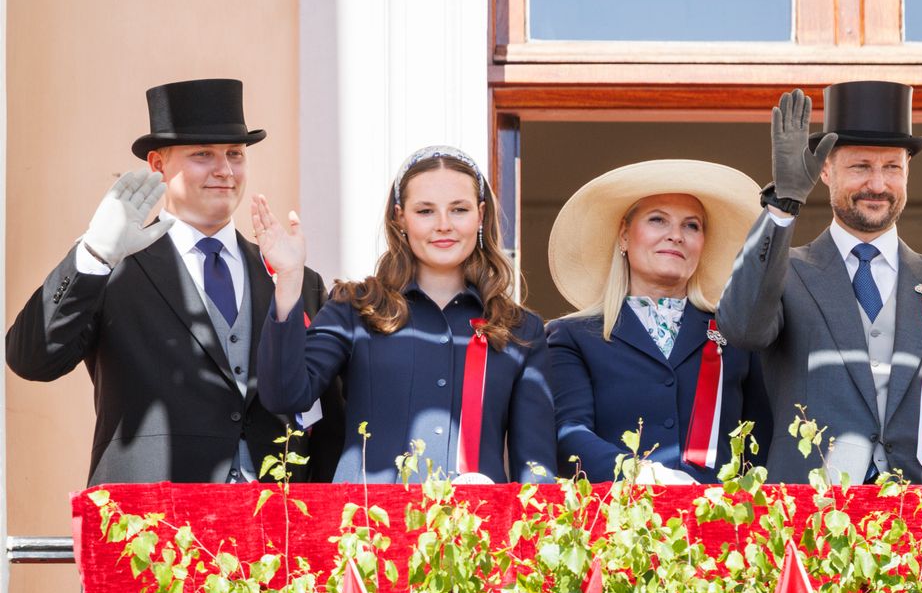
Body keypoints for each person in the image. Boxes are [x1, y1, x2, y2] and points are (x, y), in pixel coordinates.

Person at [6, 78, 342, 485]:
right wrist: (93, 254)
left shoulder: (294, 278)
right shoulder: (111, 268)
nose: (224, 170)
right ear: (157, 164)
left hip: (274, 527)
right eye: (203, 154)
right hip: (148, 524)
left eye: (235, 154)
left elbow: (327, 419)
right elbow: (32, 359)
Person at [716, 81, 922, 485]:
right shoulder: (783, 273)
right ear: (825, 170)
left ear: (907, 171)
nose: (877, 184)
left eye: (892, 167)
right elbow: (742, 329)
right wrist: (783, 206)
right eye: (860, 167)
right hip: (810, 521)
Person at [255, 145, 556, 484]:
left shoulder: (520, 329)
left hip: (477, 533)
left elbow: (536, 471)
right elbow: (284, 395)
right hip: (365, 531)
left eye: (459, 209)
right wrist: (290, 277)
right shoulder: (354, 307)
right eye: (425, 211)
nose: (443, 225)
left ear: (481, 214)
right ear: (400, 217)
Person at [545, 159, 773, 484]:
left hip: (720, 527)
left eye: (691, 226)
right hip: (615, 526)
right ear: (624, 235)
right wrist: (641, 475)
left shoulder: (736, 336)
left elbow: (760, 448)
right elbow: (568, 437)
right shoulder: (572, 336)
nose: (676, 236)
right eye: (658, 220)